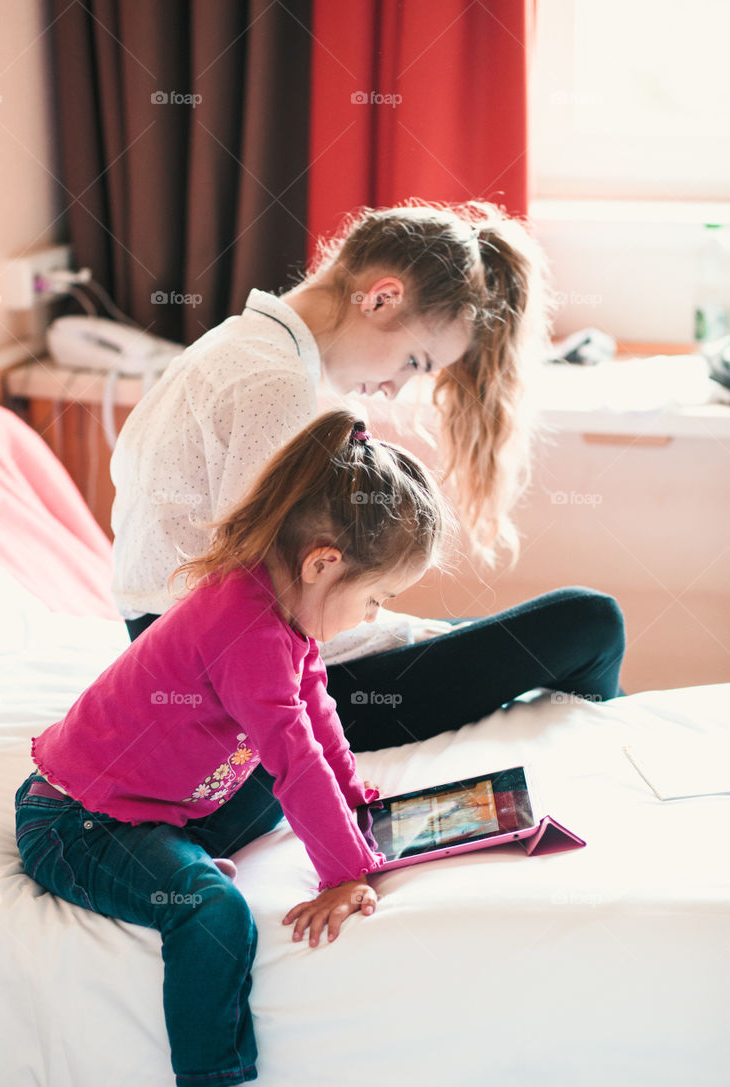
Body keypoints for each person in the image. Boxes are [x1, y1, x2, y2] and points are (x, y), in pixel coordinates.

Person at [15, 409, 454, 1087]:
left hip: (156, 808)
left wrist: (355, 807)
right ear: (322, 564)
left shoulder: (278, 604)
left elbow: (316, 717)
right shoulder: (244, 626)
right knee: (213, 911)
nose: (374, 616)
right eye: (375, 598)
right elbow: (291, 755)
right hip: (76, 825)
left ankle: (187, 852)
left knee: (281, 801)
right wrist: (343, 873)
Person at [110, 199, 625, 754]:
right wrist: (406, 634)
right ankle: (602, 771)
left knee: (509, 630)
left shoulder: (240, 348)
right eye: (414, 361)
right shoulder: (271, 383)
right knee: (588, 622)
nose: (394, 388)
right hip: (224, 684)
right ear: (382, 299)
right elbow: (273, 603)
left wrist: (411, 633)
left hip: (184, 653)